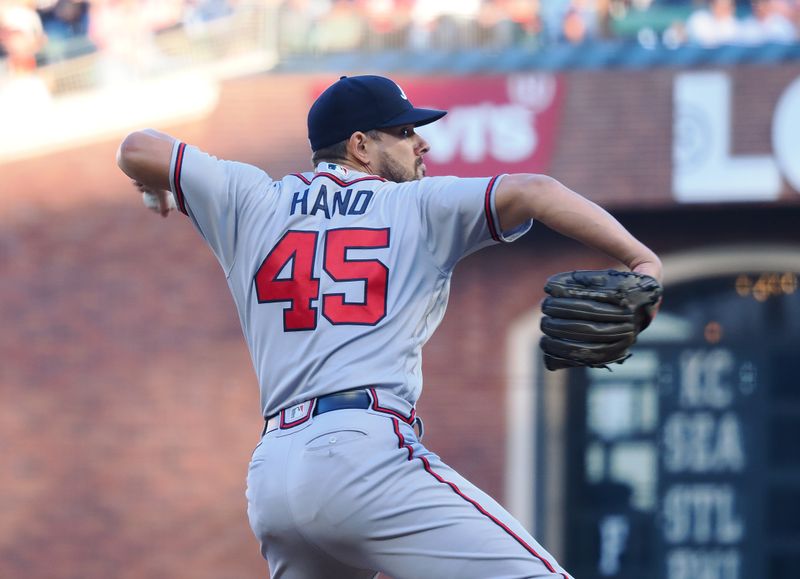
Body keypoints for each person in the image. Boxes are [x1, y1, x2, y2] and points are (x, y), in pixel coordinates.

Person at [116, 74, 662, 579]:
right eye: (404, 132)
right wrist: (643, 262)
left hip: (273, 475)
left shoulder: (252, 198)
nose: (421, 144)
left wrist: (157, 185)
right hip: (363, 453)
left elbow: (137, 148)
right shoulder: (418, 204)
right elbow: (535, 190)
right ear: (360, 145)